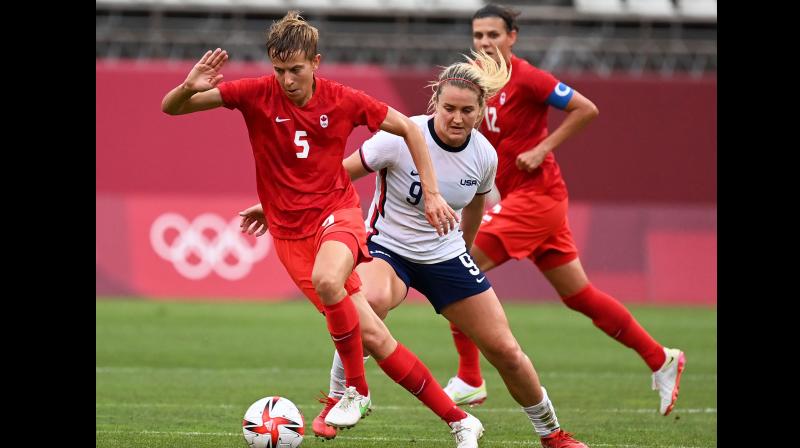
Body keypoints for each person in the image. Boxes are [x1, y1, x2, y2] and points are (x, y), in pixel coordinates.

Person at [241, 50, 589, 448]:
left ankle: (552, 433)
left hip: (446, 257)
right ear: (434, 104)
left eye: (467, 111)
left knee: (507, 351)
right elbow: (337, 174)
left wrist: (467, 254)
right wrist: (274, 206)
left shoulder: (484, 155)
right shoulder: (400, 137)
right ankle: (341, 396)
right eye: (449, 108)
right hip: (388, 250)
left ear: (480, 112)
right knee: (364, 303)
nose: (457, 118)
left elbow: (475, 206)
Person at [161, 10, 460, 431]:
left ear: (315, 63)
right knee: (372, 335)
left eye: (296, 69)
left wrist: (431, 192)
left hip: (337, 213)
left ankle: (353, 391)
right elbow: (172, 109)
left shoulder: (343, 99)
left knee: (327, 280)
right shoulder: (254, 93)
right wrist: (187, 87)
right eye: (279, 70)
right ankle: (459, 420)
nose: (286, 80)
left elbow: (410, 130)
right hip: (288, 232)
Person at [438, 4, 685, 417]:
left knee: (455, 264)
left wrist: (542, 148)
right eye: (478, 35)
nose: (484, 42)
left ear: (512, 37)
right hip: (529, 201)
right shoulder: (478, 84)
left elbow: (586, 108)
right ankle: (661, 358)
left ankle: (470, 378)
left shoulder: (530, 78)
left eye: (493, 35)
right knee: (580, 296)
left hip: (537, 198)